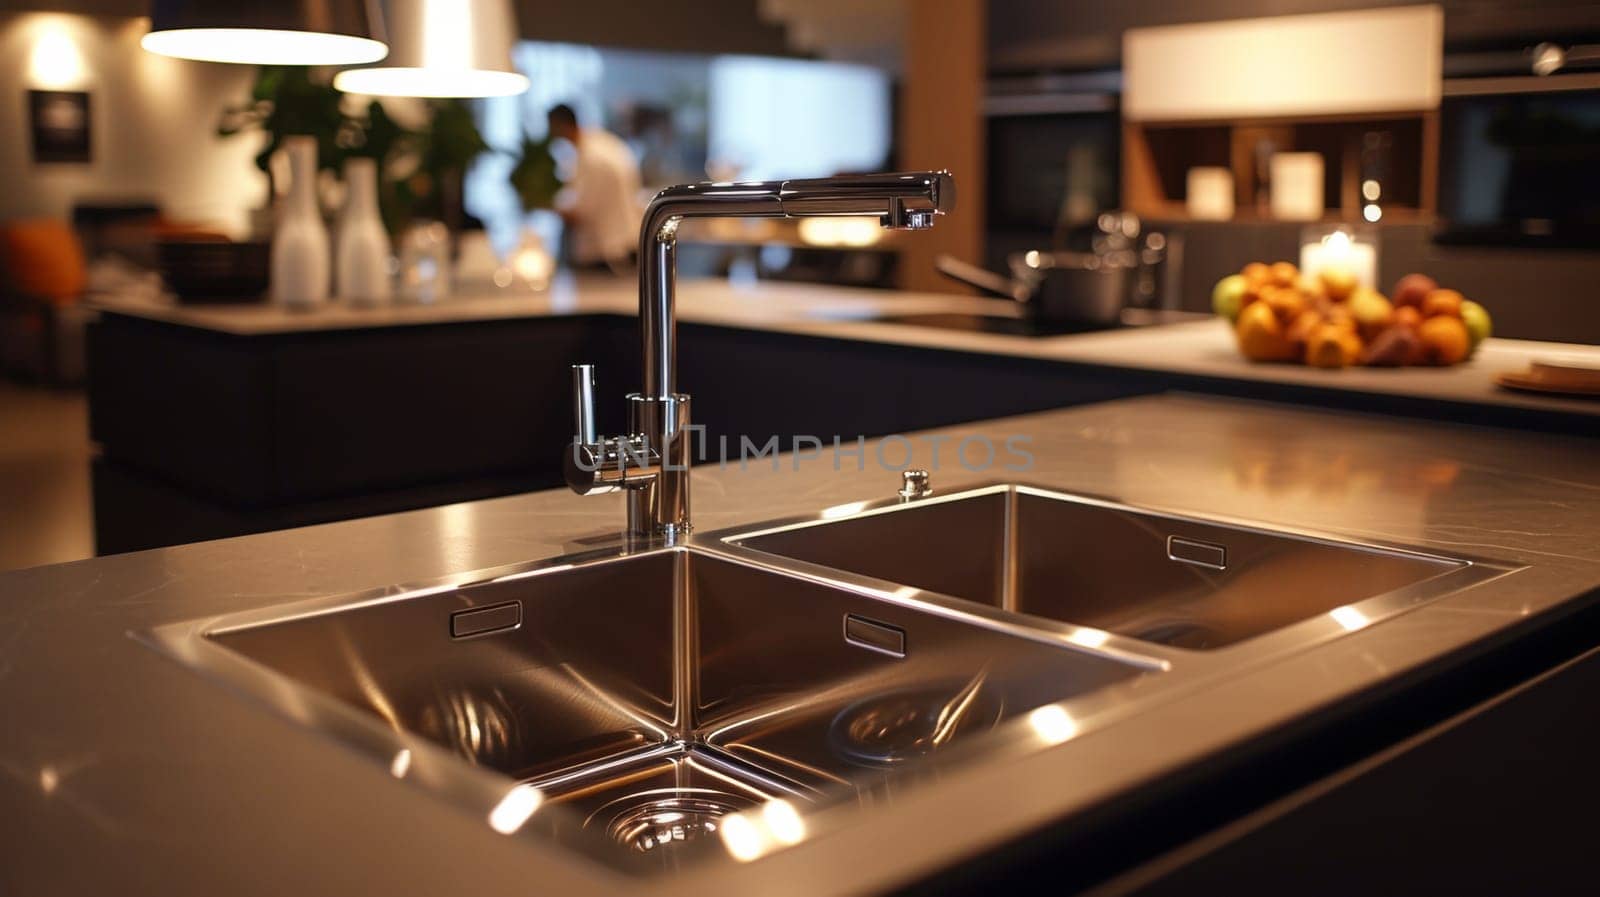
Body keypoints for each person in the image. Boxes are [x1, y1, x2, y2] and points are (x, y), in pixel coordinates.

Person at [547, 103, 643, 269]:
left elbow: (582, 213)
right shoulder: (604, 143)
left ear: (560, 125)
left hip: (607, 254)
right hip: (623, 244)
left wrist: (544, 205)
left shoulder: (592, 157)